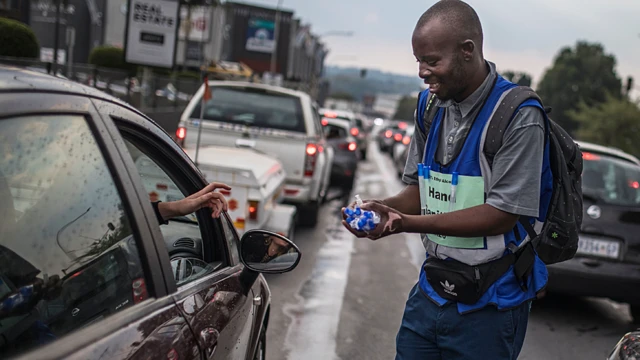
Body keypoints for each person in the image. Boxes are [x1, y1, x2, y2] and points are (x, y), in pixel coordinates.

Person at [341, 1, 553, 359]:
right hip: (431, 293)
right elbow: (419, 191)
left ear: (467, 51)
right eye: (418, 61)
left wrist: (403, 224)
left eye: (432, 61)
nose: (423, 72)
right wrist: (382, 209)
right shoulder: (429, 106)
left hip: (490, 307)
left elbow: (502, 214)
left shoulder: (519, 116)